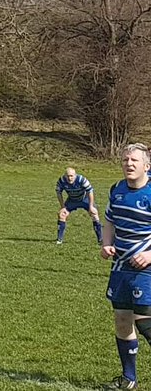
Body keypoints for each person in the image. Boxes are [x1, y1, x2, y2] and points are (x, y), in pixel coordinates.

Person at [102, 143, 151, 391]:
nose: (129, 164)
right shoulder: (117, 189)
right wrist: (106, 244)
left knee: (144, 321)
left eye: (134, 160)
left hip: (147, 268)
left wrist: (150, 254)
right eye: (125, 160)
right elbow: (109, 221)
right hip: (120, 265)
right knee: (122, 320)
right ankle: (128, 378)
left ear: (147, 166)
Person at [57, 167, 102, 245]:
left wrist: (91, 206)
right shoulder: (61, 181)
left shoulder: (82, 180)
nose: (69, 178)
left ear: (75, 175)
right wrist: (63, 206)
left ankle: (100, 240)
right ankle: (59, 240)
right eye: (67, 176)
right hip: (72, 200)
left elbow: (90, 192)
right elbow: (58, 192)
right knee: (62, 214)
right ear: (64, 175)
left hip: (84, 199)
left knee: (94, 214)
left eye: (71, 176)